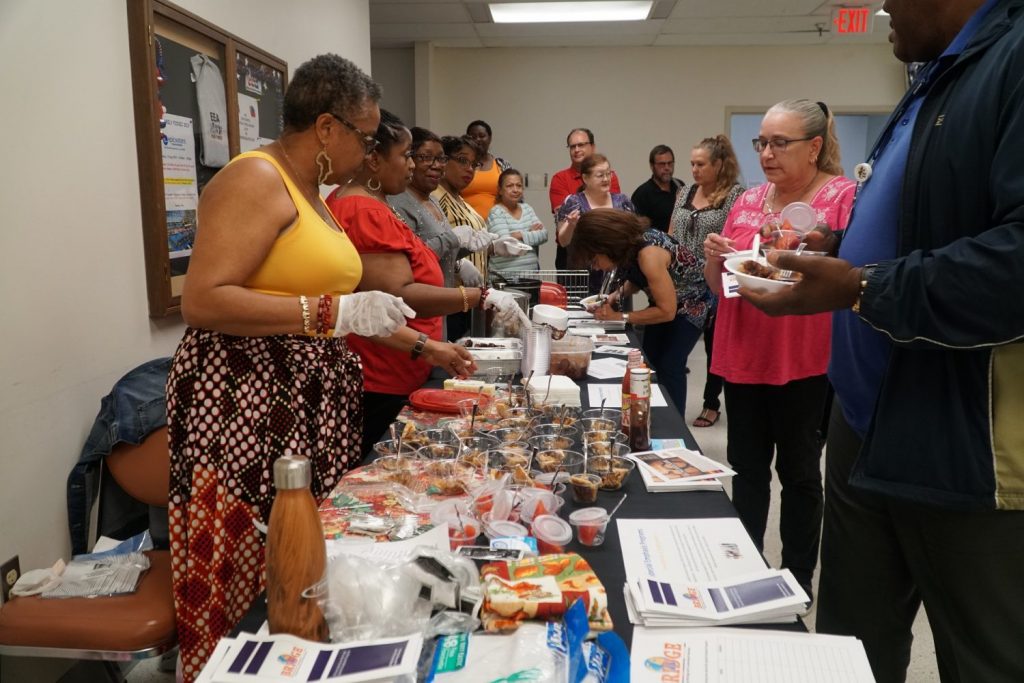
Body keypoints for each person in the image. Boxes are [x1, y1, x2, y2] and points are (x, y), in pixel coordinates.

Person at [165, 55, 474, 681]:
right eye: (364, 136)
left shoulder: (315, 193)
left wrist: (421, 346)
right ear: (327, 127)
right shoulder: (255, 179)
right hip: (246, 402)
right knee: (255, 571)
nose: (370, 150)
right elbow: (203, 299)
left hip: (304, 399)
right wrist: (329, 311)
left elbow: (344, 313)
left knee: (306, 563)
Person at [740, 2, 1024, 681]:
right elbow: (921, 221)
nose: (884, 6)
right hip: (865, 418)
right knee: (848, 650)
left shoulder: (1010, 59)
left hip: (958, 439)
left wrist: (860, 287)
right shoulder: (933, 78)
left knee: (984, 657)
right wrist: (837, 246)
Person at [703, 99, 855, 601]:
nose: (767, 152)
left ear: (814, 147)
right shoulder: (747, 201)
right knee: (745, 471)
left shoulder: (841, 198)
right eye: (762, 142)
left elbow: (851, 275)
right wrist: (716, 261)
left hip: (804, 360)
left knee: (799, 474)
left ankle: (796, 577)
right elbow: (722, 286)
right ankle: (749, 569)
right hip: (744, 352)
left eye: (779, 143)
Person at [327, 110, 522, 451]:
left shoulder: (378, 204)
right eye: (406, 156)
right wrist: (477, 296)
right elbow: (399, 294)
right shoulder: (365, 210)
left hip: (404, 366)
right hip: (382, 377)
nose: (413, 166)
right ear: (374, 160)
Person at [573, 208, 704, 418]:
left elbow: (667, 311)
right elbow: (637, 278)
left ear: (607, 246)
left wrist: (619, 317)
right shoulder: (631, 245)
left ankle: (673, 420)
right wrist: (615, 295)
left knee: (670, 365)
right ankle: (648, 411)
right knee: (648, 361)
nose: (596, 267)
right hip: (667, 301)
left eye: (595, 259)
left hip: (693, 304)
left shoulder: (649, 254)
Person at [669, 135, 744, 428]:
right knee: (673, 350)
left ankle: (711, 403)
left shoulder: (734, 195)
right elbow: (672, 229)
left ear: (718, 165)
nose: (695, 170)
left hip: (713, 283)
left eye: (701, 164)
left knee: (714, 346)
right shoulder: (686, 191)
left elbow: (735, 240)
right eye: (692, 164)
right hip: (679, 281)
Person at [389, 127, 491, 340]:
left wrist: (468, 249)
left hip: (440, 311)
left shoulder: (432, 200)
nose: (436, 165)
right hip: (418, 311)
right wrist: (452, 239)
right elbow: (414, 257)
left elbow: (442, 253)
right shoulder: (399, 202)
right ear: (410, 159)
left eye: (440, 158)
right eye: (426, 157)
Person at [556, 154, 636, 293]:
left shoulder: (622, 201)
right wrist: (571, 225)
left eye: (608, 173)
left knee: (616, 314)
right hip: (582, 280)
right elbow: (563, 241)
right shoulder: (573, 202)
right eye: (600, 175)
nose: (606, 179)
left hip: (616, 279)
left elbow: (634, 235)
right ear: (585, 178)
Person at [549, 128, 622, 270]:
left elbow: (611, 214)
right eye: (572, 146)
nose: (576, 149)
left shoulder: (608, 177)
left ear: (592, 147)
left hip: (606, 250)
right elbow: (563, 217)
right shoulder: (560, 179)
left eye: (581, 145)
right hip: (572, 252)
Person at [486, 168, 548, 272]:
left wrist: (520, 235)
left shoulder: (527, 208)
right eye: (509, 186)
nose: (515, 190)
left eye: (519, 185)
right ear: (500, 190)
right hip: (504, 278)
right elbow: (506, 245)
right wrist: (530, 233)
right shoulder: (496, 212)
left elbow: (544, 235)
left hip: (530, 277)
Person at [462, 119, 511, 218]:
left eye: (482, 136)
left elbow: (514, 195)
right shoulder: (460, 165)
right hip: (465, 224)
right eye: (473, 136)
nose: (477, 139)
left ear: (490, 138)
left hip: (498, 224)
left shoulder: (502, 165)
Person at [631, 144, 686, 232]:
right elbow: (636, 228)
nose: (667, 168)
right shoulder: (642, 194)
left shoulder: (680, 186)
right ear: (652, 166)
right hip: (656, 244)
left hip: (680, 242)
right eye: (662, 164)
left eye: (670, 163)